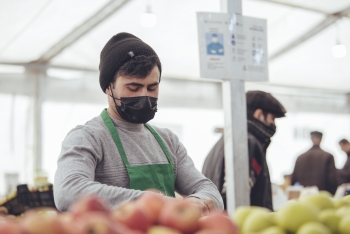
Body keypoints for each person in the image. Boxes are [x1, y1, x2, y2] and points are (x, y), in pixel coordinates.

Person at [54, 32, 224, 213]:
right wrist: (160, 203)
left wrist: (199, 202)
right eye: (133, 87)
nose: (144, 95)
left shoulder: (168, 141)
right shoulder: (87, 137)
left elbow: (210, 191)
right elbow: (68, 191)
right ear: (108, 87)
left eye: (152, 87)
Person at [202, 90, 286, 210]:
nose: (273, 124)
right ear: (259, 114)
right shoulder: (246, 144)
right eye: (272, 118)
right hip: (242, 224)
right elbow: (235, 195)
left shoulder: (225, 140)